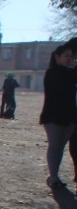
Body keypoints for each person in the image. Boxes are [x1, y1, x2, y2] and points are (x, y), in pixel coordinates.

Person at [39, 41, 77, 190]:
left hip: (69, 116)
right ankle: (53, 176)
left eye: (70, 56)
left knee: (61, 146)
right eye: (66, 55)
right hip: (53, 115)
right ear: (57, 57)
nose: (69, 58)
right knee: (54, 145)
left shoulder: (72, 72)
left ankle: (54, 175)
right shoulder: (52, 72)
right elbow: (60, 90)